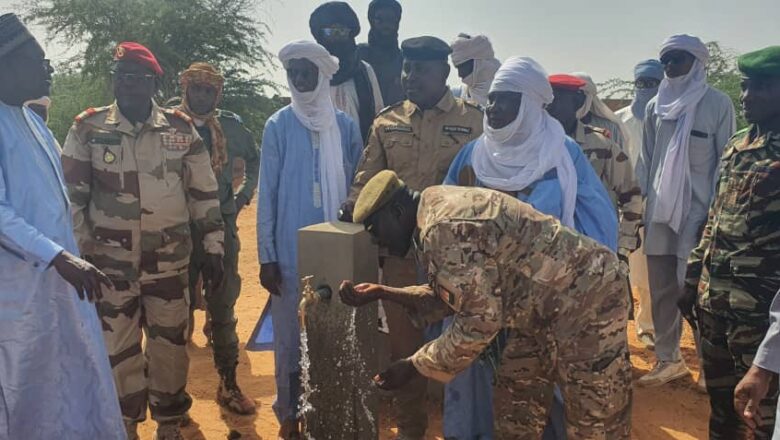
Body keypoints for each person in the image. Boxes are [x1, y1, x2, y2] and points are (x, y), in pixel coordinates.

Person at [340, 171, 632, 439]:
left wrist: (414, 365)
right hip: (538, 308)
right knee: (517, 404)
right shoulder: (434, 204)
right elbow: (460, 294)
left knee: (595, 420)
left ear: (397, 212)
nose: (379, 242)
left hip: (589, 301)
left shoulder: (443, 228)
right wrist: (385, 293)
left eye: (375, 230)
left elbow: (478, 324)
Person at [439, 58, 619, 440]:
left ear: (533, 105)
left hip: (545, 306)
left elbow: (596, 226)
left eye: (506, 100)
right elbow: (444, 217)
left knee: (543, 401)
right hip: (478, 301)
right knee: (473, 391)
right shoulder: (471, 156)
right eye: (492, 100)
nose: (495, 109)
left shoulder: (562, 156)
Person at [62, 42, 225, 440]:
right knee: (118, 348)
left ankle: (169, 425)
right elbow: (72, 201)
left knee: (170, 347)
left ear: (154, 81)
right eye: (122, 76)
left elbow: (203, 194)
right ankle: (125, 425)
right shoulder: (88, 128)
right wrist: (81, 254)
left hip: (169, 264)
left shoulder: (180, 129)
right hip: (109, 267)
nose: (129, 85)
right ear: (113, 80)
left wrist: (214, 247)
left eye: (138, 77)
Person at [338, 35, 483, 440]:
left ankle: (461, 427)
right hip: (404, 255)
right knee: (405, 345)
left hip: (457, 257)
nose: (409, 77)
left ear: (445, 72)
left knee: (462, 343)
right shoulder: (387, 122)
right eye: (406, 68)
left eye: (421, 69)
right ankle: (410, 428)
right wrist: (351, 208)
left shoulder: (474, 120)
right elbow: (365, 183)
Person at [0, 13, 125, 439]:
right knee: (26, 395)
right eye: (37, 59)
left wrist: (67, 255)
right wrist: (57, 256)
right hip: (18, 299)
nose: (48, 66)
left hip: (59, 283)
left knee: (73, 384)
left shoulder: (31, 121)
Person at [257, 40, 363, 440]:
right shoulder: (278, 125)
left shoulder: (346, 127)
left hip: (336, 250)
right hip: (288, 251)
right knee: (289, 337)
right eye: (294, 72)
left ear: (322, 75)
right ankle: (290, 417)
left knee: (335, 330)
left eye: (307, 72)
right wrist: (267, 255)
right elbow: (266, 193)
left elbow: (356, 190)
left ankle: (331, 410)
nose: (300, 79)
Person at [683, 45, 780, 438]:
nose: (747, 96)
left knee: (759, 416)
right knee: (720, 411)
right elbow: (714, 221)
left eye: (761, 87)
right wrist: (691, 280)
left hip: (760, 313)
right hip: (714, 303)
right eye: (744, 86)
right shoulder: (737, 144)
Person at [638, 34, 736, 388]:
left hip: (698, 217)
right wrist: (641, 212)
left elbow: (725, 165)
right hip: (659, 215)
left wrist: (713, 219)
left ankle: (709, 368)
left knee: (694, 293)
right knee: (662, 288)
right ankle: (668, 359)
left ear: (696, 63)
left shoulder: (718, 104)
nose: (669, 67)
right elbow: (647, 163)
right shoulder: (654, 107)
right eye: (665, 60)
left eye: (677, 59)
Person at [177, 62, 259, 415]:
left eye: (208, 90)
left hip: (222, 228)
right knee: (175, 312)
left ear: (217, 93)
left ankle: (228, 384)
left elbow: (254, 162)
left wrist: (242, 198)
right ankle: (173, 397)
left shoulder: (231, 127)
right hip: (178, 228)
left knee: (223, 304)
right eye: (196, 88)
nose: (202, 95)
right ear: (186, 89)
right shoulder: (168, 123)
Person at [548, 74, 642, 264]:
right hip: (549, 249)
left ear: (578, 102)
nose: (550, 106)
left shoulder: (601, 144)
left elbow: (631, 195)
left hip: (597, 246)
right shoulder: (533, 147)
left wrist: (623, 247)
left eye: (558, 99)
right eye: (547, 100)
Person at [615, 59, 664, 349]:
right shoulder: (619, 119)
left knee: (649, 266)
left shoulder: (668, 118)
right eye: (641, 83)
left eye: (652, 83)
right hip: (625, 203)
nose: (645, 88)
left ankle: (647, 326)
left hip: (658, 202)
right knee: (625, 263)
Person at [310, 1, 384, 143]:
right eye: (331, 32)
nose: (337, 37)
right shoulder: (312, 73)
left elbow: (378, 118)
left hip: (361, 156)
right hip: (320, 155)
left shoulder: (365, 71)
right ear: (320, 36)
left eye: (342, 31)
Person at [357, 0, 404, 106]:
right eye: (380, 20)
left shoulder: (405, 60)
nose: (386, 25)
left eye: (390, 20)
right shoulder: (357, 55)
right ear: (372, 21)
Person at [572, 71, 631, 152]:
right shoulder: (559, 127)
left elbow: (621, 159)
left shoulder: (609, 127)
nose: (574, 99)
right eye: (570, 94)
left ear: (589, 96)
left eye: (579, 94)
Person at [450, 33, 501, 107]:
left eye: (462, 67)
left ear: (478, 64)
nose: (460, 74)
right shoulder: (457, 95)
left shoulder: (509, 92)